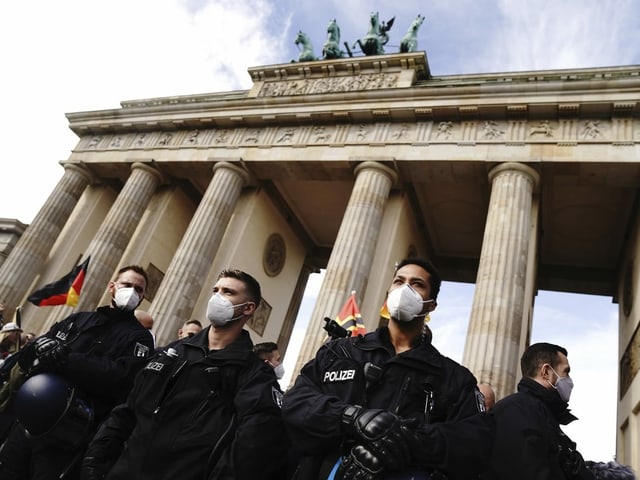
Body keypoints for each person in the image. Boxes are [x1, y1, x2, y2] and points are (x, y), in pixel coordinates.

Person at [282, 258, 491, 480]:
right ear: (388, 293)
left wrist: (404, 440)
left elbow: (472, 442)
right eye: (399, 281)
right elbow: (296, 403)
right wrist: (351, 418)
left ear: (431, 305)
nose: (405, 289)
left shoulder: (453, 377)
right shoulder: (339, 352)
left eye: (417, 284)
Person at [81, 268, 288, 480]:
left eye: (228, 292)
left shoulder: (254, 373)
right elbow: (129, 409)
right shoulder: (174, 352)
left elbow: (252, 443)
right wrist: (95, 459)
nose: (217, 297)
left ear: (248, 308)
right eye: (215, 290)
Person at [0, 265, 155, 480]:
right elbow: (27, 359)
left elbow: (120, 377)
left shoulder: (140, 338)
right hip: (28, 422)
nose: (132, 292)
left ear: (143, 296)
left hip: (67, 435)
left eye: (138, 289)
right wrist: (38, 347)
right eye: (127, 285)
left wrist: (65, 357)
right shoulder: (78, 319)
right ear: (112, 287)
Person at [486, 342, 594, 480]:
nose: (569, 380)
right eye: (566, 372)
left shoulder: (541, 413)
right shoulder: (516, 411)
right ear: (546, 372)